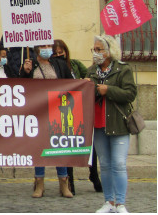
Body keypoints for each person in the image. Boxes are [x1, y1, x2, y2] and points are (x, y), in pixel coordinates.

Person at [87, 35, 137, 214]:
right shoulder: (91, 71)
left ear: (109, 52)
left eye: (99, 49)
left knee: (118, 164)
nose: (96, 53)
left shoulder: (123, 69)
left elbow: (130, 93)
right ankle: (108, 202)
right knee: (105, 165)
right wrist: (87, 88)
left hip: (118, 123)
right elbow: (85, 96)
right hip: (99, 124)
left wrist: (109, 90)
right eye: (94, 49)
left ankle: (120, 204)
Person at [21, 44, 73, 198]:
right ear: (36, 49)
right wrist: (25, 72)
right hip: (37, 113)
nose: (47, 48)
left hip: (58, 111)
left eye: (49, 46)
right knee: (40, 147)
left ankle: (64, 183)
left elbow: (71, 83)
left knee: (60, 146)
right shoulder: (30, 64)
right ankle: (39, 184)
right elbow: (21, 87)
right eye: (43, 46)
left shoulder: (59, 64)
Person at [53, 39, 99, 194]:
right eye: (56, 53)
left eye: (61, 52)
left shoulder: (75, 64)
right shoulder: (53, 67)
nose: (59, 55)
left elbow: (89, 76)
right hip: (64, 110)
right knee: (69, 147)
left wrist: (86, 80)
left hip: (82, 108)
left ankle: (94, 175)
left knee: (90, 145)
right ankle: (69, 181)